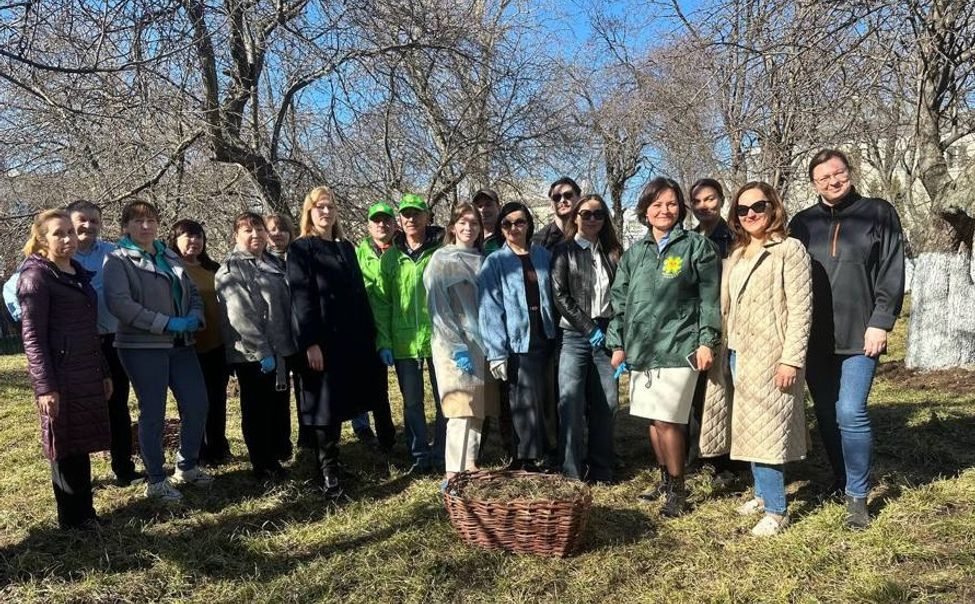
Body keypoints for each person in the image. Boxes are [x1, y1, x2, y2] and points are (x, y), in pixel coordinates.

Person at [789, 149, 905, 528]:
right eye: (823, 177)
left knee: (849, 411)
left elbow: (891, 269)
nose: (832, 181)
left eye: (838, 173)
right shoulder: (802, 223)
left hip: (861, 333)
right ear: (814, 183)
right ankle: (841, 480)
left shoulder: (878, 212)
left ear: (849, 173)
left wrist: (881, 321)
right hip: (814, 336)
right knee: (825, 413)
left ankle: (858, 495)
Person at [699, 182, 813, 536]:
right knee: (748, 426)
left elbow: (801, 310)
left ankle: (778, 510)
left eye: (758, 207)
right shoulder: (737, 253)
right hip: (736, 354)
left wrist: (791, 359)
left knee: (768, 430)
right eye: (742, 210)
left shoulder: (789, 250)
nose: (750, 215)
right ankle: (763, 495)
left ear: (773, 208)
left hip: (771, 354)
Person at [4, 201, 144, 486]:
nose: (87, 227)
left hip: (108, 344)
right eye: (81, 220)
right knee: (69, 417)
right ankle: (75, 491)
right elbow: (13, 292)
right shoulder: (43, 265)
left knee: (116, 407)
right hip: (67, 351)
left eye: (95, 221)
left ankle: (123, 469)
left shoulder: (111, 253)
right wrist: (39, 324)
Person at [607, 177, 720, 517]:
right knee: (654, 421)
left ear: (681, 209)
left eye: (671, 203)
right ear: (645, 210)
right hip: (642, 349)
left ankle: (678, 489)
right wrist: (618, 343)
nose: (664, 210)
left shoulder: (696, 247)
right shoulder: (635, 254)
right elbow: (620, 302)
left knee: (670, 420)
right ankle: (665, 480)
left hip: (679, 345)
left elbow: (710, 299)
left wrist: (706, 340)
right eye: (657, 204)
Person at [103, 199, 212, 503]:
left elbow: (191, 292)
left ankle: (187, 465)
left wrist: (195, 317)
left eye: (151, 220)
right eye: (138, 221)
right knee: (154, 412)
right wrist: (167, 323)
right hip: (142, 346)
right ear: (125, 226)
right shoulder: (118, 260)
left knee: (197, 404)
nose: (146, 226)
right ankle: (155, 479)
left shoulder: (168, 255)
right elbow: (121, 305)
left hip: (182, 344)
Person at [18, 210, 112, 529]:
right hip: (58, 375)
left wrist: (103, 370)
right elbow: (32, 336)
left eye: (70, 232)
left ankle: (86, 513)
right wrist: (45, 387)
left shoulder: (76, 272)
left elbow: (89, 328)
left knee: (80, 443)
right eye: (59, 233)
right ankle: (72, 520)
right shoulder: (36, 276)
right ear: (43, 239)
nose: (68, 238)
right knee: (63, 445)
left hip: (85, 370)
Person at [288, 186, 381, 498]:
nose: (325, 212)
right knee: (325, 408)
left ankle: (336, 463)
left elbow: (358, 294)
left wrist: (369, 335)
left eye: (330, 207)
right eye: (319, 207)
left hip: (351, 340)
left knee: (343, 402)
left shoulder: (346, 248)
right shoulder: (302, 249)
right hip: (322, 342)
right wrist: (310, 342)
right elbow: (302, 298)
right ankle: (327, 474)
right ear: (309, 212)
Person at [216, 212, 297, 480]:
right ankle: (263, 465)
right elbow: (240, 315)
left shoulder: (273, 262)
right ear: (236, 235)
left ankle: (277, 453)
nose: (255, 235)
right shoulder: (232, 268)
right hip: (253, 355)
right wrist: (261, 350)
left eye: (259, 229)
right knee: (257, 410)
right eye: (247, 231)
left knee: (277, 405)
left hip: (281, 350)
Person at [479, 201, 558, 471]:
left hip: (544, 334)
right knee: (522, 400)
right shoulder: (495, 262)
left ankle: (548, 451)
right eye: (507, 223)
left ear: (528, 224)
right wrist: (496, 352)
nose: (514, 228)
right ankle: (524, 457)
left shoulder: (543, 256)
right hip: (516, 340)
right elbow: (490, 309)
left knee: (546, 397)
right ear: (501, 227)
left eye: (519, 222)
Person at [552, 194, 622, 483]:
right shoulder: (563, 251)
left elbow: (621, 296)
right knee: (571, 403)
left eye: (598, 214)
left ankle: (602, 467)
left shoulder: (613, 252)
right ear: (575, 217)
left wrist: (615, 336)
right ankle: (571, 472)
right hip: (574, 336)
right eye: (586, 213)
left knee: (607, 403)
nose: (592, 219)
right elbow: (559, 294)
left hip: (607, 334)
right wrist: (586, 328)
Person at [374, 193, 446, 474]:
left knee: (444, 400)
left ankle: (441, 453)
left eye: (416, 213)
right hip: (404, 342)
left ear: (427, 216)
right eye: (405, 214)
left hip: (438, 339)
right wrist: (384, 341)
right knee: (412, 402)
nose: (411, 219)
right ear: (399, 221)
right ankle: (419, 454)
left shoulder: (440, 252)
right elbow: (382, 304)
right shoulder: (390, 258)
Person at [424, 203, 495, 486]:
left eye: (474, 223)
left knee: (476, 407)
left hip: (482, 345)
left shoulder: (482, 259)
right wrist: (457, 347)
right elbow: (438, 309)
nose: (468, 228)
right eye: (463, 222)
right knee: (459, 409)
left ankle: (469, 464)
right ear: (453, 226)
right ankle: (453, 471)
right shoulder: (442, 260)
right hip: (453, 346)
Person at [687, 179, 743, 486]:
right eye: (697, 202)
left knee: (725, 391)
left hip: (728, 320)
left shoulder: (734, 236)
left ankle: (730, 461)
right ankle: (703, 452)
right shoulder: (690, 239)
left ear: (721, 200)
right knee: (699, 394)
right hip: (697, 322)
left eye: (710, 199)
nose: (704, 206)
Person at [168, 219, 233, 466]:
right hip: (187, 346)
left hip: (216, 344)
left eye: (198, 237)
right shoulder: (171, 269)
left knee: (217, 399)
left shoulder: (213, 268)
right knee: (192, 401)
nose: (194, 241)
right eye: (188, 236)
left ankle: (218, 446)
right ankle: (196, 451)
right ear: (175, 239)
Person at [352, 202, 398, 451]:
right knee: (370, 384)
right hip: (367, 328)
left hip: (398, 325)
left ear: (394, 224)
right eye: (376, 221)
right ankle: (369, 431)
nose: (382, 225)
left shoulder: (401, 251)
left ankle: (396, 435)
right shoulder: (358, 253)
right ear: (369, 226)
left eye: (386, 220)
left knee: (396, 387)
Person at [264, 212, 310, 452]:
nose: (277, 234)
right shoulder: (260, 262)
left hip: (301, 337)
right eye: (272, 229)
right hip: (276, 339)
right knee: (279, 394)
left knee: (306, 392)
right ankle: (282, 443)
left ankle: (307, 439)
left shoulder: (300, 258)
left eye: (282, 229)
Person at [533, 177, 581, 250]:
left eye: (568, 195)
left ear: (579, 199)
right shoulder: (538, 241)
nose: (562, 200)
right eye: (556, 197)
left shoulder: (591, 232)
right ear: (551, 206)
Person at [473, 189, 503, 255]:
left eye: (488, 205)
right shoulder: (470, 237)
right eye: (480, 206)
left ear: (499, 208)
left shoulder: (507, 237)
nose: (483, 210)